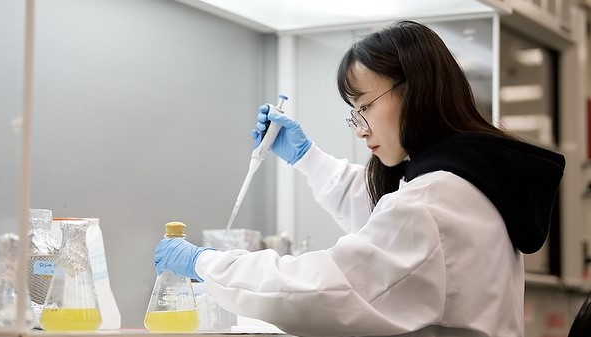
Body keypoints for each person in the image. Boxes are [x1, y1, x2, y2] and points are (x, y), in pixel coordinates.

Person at [154, 20, 565, 337]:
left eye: (365, 106)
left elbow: (319, 290)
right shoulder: (468, 183)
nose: (361, 129)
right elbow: (384, 216)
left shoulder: (436, 201)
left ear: (416, 91)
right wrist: (307, 158)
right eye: (354, 114)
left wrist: (204, 262)